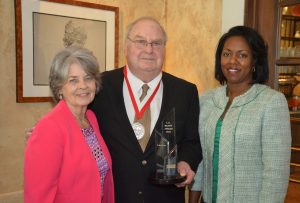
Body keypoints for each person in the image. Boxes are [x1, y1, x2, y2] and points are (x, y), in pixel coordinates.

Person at [90, 16, 202, 203]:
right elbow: (78, 123)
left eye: (156, 43)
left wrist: (185, 162)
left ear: (165, 49)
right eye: (141, 41)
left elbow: (192, 141)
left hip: (165, 197)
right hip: (114, 197)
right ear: (126, 47)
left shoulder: (185, 91)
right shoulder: (100, 87)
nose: (149, 49)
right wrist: (52, 130)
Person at [189, 26, 291, 203]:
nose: (232, 61)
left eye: (242, 55)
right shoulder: (206, 99)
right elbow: (201, 159)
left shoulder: (271, 102)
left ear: (254, 61)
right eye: (226, 54)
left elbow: (275, 173)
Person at [24, 47, 114, 203]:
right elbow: (38, 196)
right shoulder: (49, 128)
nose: (83, 86)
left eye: (88, 78)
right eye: (73, 80)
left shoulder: (91, 119)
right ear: (59, 88)